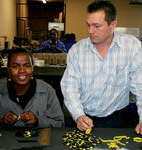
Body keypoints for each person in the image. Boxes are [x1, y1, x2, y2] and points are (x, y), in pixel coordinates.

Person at [60, 0, 142, 134]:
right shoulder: (77, 50)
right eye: (88, 25)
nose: (90, 31)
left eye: (97, 26)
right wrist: (78, 115)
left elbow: (140, 86)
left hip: (118, 119)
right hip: (83, 118)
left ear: (113, 24)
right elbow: (70, 86)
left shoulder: (131, 46)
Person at [0, 48, 64, 128]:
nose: (22, 70)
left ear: (32, 68)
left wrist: (38, 120)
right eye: (15, 66)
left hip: (38, 141)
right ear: (8, 70)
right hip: (6, 141)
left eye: (27, 66)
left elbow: (59, 123)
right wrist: (1, 121)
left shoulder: (47, 92)